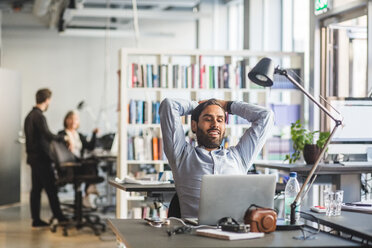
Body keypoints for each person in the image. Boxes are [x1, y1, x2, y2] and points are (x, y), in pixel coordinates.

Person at [159, 98, 274, 218]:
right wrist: (201, 105)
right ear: (194, 125)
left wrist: (227, 105)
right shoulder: (181, 155)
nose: (215, 125)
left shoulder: (239, 157)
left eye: (220, 120)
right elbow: (169, 105)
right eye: (208, 119)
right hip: (192, 232)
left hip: (234, 231)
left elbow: (265, 116)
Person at [24, 88, 68, 227]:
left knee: (36, 189)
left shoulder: (29, 115)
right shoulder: (39, 116)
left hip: (33, 158)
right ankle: (59, 216)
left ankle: (36, 219)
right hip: (41, 159)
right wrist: (62, 137)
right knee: (51, 188)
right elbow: (47, 135)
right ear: (47, 100)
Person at [58, 110, 99, 208]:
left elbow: (90, 147)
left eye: (76, 119)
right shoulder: (62, 134)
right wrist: (67, 139)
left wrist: (94, 134)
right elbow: (58, 140)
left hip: (79, 164)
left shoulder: (79, 135)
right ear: (66, 120)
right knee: (90, 164)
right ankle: (89, 190)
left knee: (93, 160)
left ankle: (88, 191)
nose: (73, 121)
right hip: (70, 166)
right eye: (71, 119)